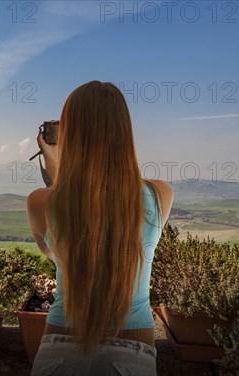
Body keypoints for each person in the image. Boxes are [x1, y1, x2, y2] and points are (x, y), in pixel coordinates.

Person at [26, 81, 174, 375]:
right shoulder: (161, 194)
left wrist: (55, 164)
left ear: (68, 132)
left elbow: (59, 256)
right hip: (134, 354)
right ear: (124, 130)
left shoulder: (41, 201)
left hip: (59, 349)